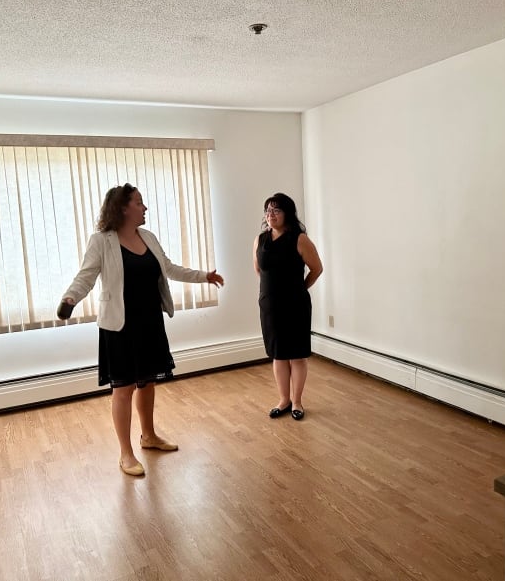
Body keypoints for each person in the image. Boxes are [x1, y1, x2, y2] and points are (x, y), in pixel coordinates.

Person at [59, 183, 224, 476]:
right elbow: (86, 276)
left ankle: (148, 436)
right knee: (123, 388)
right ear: (123, 208)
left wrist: (203, 276)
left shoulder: (147, 237)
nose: (144, 207)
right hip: (119, 325)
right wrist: (70, 298)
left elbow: (169, 268)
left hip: (149, 321)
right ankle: (125, 453)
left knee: (147, 382)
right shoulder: (101, 241)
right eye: (139, 202)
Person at [253, 193, 323, 421]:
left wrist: (300, 288)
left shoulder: (299, 239)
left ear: (287, 213)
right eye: (268, 211)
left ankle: (297, 402)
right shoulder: (260, 240)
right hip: (270, 306)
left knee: (296, 355)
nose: (270, 215)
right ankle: (283, 400)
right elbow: (259, 270)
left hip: (295, 305)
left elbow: (317, 269)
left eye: (276, 210)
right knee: (278, 355)